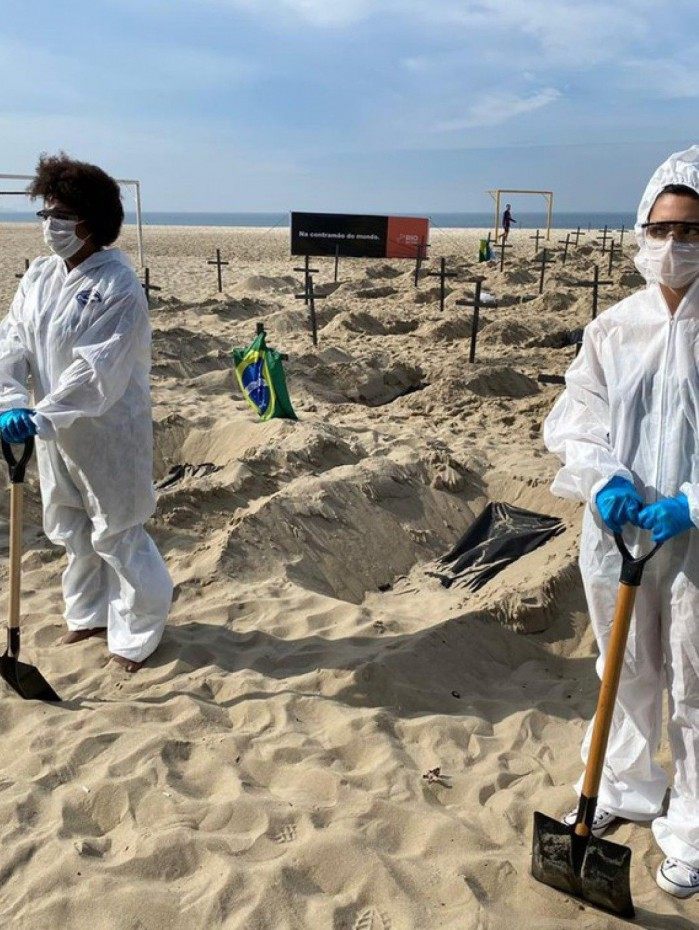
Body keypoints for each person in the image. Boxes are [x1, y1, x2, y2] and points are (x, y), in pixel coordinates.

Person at [543, 145, 699, 898]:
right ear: (641, 230)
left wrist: (693, 502)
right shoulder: (614, 327)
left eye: (691, 230)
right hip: (621, 533)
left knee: (695, 679)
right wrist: (602, 479)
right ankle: (624, 787)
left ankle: (694, 826)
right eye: (662, 228)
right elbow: (579, 416)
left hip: (695, 539)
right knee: (625, 667)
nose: (674, 245)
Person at [0, 153, 173, 673]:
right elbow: (13, 340)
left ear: (91, 221)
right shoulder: (39, 278)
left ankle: (138, 635)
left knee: (117, 532)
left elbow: (98, 369)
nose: (49, 225)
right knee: (70, 529)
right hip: (53, 432)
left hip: (106, 430)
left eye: (60, 215)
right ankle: (89, 615)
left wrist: (45, 413)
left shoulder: (118, 285)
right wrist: (11, 400)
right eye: (45, 213)